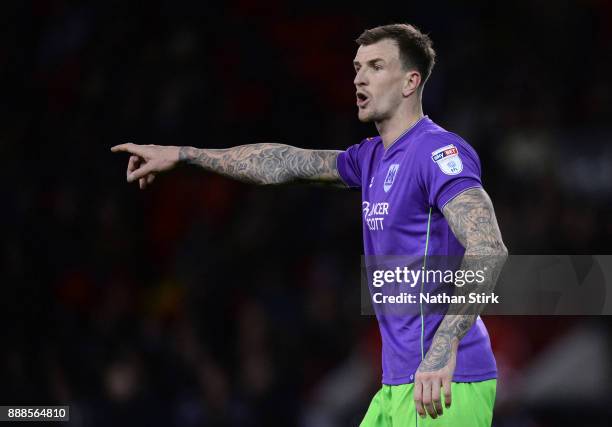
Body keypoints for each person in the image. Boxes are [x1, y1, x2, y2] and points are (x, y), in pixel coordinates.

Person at [111, 23, 507, 426]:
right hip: (397, 385)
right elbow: (284, 163)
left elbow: (488, 247)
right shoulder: (370, 158)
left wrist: (443, 350)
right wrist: (184, 154)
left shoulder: (438, 151)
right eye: (356, 67)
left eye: (375, 66)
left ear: (410, 81)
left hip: (444, 384)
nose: (359, 77)